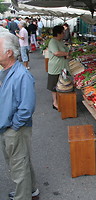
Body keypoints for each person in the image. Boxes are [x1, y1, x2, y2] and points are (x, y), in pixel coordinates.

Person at [0, 32, 39, 200]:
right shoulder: (7, 71)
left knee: (18, 164)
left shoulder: (22, 75)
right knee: (21, 161)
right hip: (7, 125)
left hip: (14, 128)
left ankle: (22, 196)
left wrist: (14, 126)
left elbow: (26, 108)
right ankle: (30, 190)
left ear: (9, 52)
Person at [47, 25, 70, 110]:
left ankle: (61, 100)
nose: (64, 34)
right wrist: (67, 54)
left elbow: (64, 50)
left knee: (62, 84)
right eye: (63, 32)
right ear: (58, 33)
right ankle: (55, 102)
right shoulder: (53, 41)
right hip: (55, 67)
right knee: (54, 85)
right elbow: (56, 52)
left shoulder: (60, 41)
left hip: (62, 67)